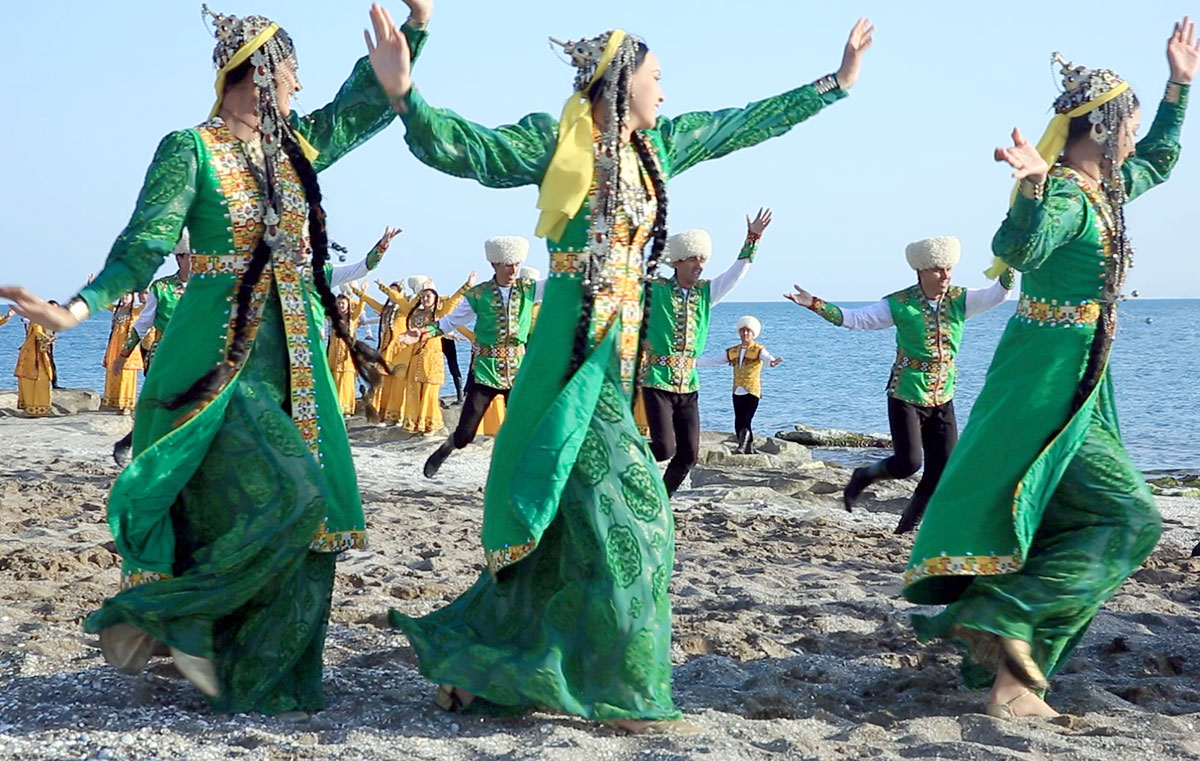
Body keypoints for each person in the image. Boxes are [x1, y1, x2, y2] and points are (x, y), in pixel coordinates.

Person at [385, 19, 873, 730]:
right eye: (657, 78)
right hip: (567, 354)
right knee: (639, 523)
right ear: (624, 84)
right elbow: (478, 151)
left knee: (578, 527)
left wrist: (835, 83)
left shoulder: (659, 146)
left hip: (616, 359)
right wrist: (407, 98)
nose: (666, 91)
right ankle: (620, 690)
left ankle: (484, 667)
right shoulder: (561, 143)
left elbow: (741, 123)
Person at [0, 2, 430, 714]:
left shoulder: (300, 144)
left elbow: (361, 104)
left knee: (309, 524)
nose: (298, 86)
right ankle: (179, 614)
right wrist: (74, 309)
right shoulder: (190, 148)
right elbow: (142, 247)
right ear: (260, 71)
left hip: (296, 360)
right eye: (292, 72)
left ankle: (260, 673)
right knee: (294, 495)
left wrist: (415, 29)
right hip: (217, 364)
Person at [902, 20, 1194, 720]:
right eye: (1125, 125)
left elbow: (1161, 156)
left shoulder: (1108, 191)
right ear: (1100, 128)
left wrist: (1178, 84)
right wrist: (1032, 187)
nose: (1133, 136)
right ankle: (1008, 610)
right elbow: (1022, 250)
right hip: (1046, 389)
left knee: (1068, 525)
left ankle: (1014, 684)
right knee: (1130, 517)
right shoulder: (1066, 194)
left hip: (1084, 388)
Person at [784, 236, 1015, 533]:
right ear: (920, 271)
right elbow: (856, 319)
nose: (945, 276)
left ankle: (906, 528)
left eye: (948, 269)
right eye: (937, 270)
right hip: (905, 393)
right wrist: (815, 304)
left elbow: (1000, 294)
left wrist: (1011, 261)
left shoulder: (961, 299)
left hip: (943, 395)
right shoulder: (899, 304)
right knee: (909, 464)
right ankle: (864, 475)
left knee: (942, 469)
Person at [640, 209, 771, 495]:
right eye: (693, 259)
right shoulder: (654, 290)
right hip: (656, 380)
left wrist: (753, 238)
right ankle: (622, 462)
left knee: (688, 456)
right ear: (677, 262)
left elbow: (736, 274)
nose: (699, 265)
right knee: (663, 449)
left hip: (689, 383)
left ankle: (661, 501)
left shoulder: (705, 293)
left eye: (702, 259)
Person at [423, 236, 545, 477]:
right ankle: (449, 444)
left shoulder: (528, 288)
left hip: (518, 370)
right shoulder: (478, 294)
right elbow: (451, 322)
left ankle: (518, 473)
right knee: (466, 433)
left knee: (525, 426)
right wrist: (423, 332)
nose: (512, 270)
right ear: (494, 265)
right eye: (507, 264)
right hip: (485, 370)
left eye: (516, 264)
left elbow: (562, 281)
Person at [699, 316, 783, 453]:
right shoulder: (733, 350)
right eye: (743, 331)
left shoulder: (758, 349)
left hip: (752, 389)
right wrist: (694, 362)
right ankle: (749, 448)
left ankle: (742, 447)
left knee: (746, 418)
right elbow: (715, 360)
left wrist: (772, 362)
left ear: (753, 333)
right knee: (739, 419)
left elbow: (767, 358)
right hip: (737, 390)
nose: (745, 334)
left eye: (748, 331)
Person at [401, 274, 472, 433]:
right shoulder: (415, 314)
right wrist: (421, 289)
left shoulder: (439, 313)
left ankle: (430, 425)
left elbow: (453, 300)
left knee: (429, 392)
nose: (425, 299)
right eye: (423, 296)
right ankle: (414, 424)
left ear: (435, 298)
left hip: (432, 357)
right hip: (415, 356)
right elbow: (404, 305)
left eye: (428, 296)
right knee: (414, 389)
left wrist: (467, 285)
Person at [117, 235, 192, 374]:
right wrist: (123, 356)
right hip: (165, 355)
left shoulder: (206, 288)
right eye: (191, 256)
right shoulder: (161, 288)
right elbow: (144, 323)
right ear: (179, 258)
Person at [101, 293, 145, 414]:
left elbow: (147, 305)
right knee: (114, 373)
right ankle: (117, 404)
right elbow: (104, 304)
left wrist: (144, 290)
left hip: (127, 346)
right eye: (123, 296)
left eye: (127, 296)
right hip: (115, 345)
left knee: (127, 375)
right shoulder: (117, 309)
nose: (125, 298)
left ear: (132, 298)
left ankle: (127, 405)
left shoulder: (135, 311)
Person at [14, 313, 56, 417]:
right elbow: (38, 333)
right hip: (34, 355)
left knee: (33, 378)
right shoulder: (38, 320)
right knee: (40, 379)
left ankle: (32, 407)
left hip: (31, 353)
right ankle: (38, 408)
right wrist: (49, 339)